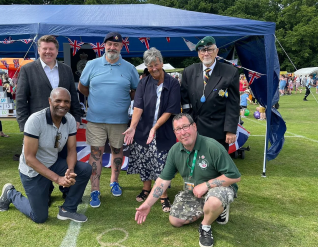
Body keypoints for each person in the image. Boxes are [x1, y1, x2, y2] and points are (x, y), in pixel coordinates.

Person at [135, 113, 241, 247]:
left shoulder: (212, 146)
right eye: (178, 129)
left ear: (194, 127)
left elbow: (235, 176)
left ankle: (206, 226)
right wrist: (148, 204)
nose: (183, 132)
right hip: (193, 191)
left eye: (185, 127)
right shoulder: (175, 150)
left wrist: (206, 185)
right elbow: (163, 181)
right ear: (175, 133)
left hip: (219, 188)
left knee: (214, 201)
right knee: (175, 220)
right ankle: (212, 209)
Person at [0, 87, 92, 223]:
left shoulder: (69, 120)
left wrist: (69, 171)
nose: (63, 105)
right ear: (49, 101)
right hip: (32, 171)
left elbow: (71, 149)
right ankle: (11, 194)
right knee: (40, 217)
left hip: (52, 163)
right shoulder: (35, 120)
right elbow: (29, 159)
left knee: (84, 169)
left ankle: (68, 210)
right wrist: (58, 179)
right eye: (58, 101)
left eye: (66, 102)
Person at [78, 31, 139, 208]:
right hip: (95, 120)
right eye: (109, 44)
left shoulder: (130, 68)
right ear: (104, 45)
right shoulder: (92, 64)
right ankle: (95, 189)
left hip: (119, 120)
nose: (113, 47)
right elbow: (83, 87)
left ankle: (114, 181)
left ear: (121, 47)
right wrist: (97, 99)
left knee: (117, 151)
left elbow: (135, 91)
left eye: (116, 45)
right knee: (96, 153)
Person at [123, 48, 181, 212]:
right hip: (143, 130)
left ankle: (162, 196)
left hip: (163, 130)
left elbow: (170, 110)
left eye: (156, 64)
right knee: (145, 162)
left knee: (162, 165)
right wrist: (133, 126)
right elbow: (138, 106)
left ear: (161, 63)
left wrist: (155, 128)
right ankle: (146, 189)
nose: (153, 68)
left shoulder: (173, 83)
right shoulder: (143, 82)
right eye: (150, 66)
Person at [16, 35, 82, 161]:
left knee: (62, 161)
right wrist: (24, 126)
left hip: (63, 124)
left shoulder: (66, 70)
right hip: (38, 126)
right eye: (45, 49)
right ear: (39, 50)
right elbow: (20, 100)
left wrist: (77, 117)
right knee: (39, 163)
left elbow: (73, 95)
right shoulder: (27, 69)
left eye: (51, 49)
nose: (48, 52)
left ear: (57, 51)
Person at [180, 36, 239, 151]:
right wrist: (189, 123)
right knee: (196, 164)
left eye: (209, 49)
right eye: (202, 50)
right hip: (195, 128)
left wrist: (230, 130)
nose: (206, 53)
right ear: (198, 53)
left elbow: (233, 103)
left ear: (216, 51)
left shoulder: (230, 72)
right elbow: (185, 101)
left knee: (217, 166)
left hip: (218, 130)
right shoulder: (189, 71)